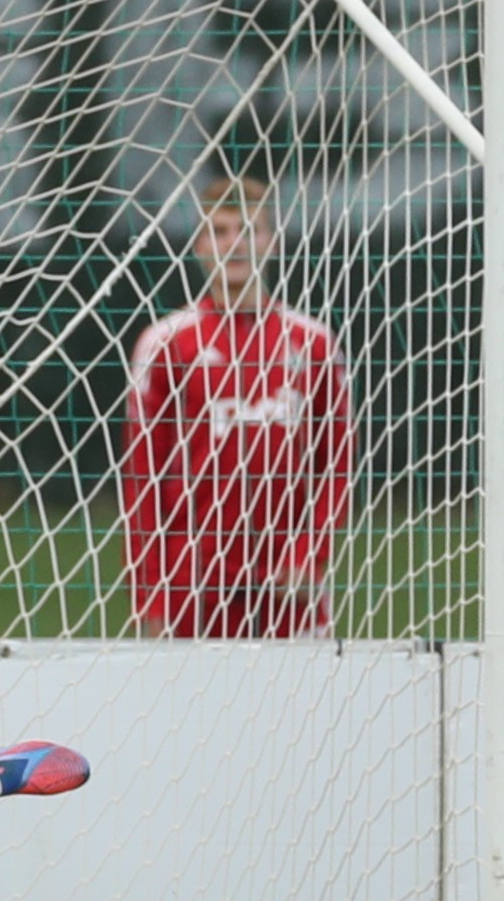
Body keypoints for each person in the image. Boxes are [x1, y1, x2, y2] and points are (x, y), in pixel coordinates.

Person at [118, 172, 354, 639]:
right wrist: (151, 596)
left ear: (271, 241)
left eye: (249, 230)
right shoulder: (165, 343)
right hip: (192, 585)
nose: (236, 244)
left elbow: (336, 464)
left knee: (306, 709)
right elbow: (143, 478)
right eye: (221, 231)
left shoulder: (314, 343)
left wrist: (310, 552)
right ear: (201, 244)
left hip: (291, 585)